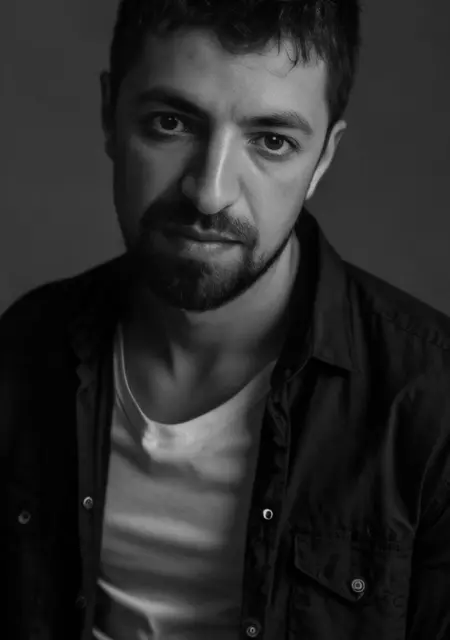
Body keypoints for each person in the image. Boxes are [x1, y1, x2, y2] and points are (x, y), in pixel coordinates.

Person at [3, 0, 450, 638]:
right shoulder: (25, 349)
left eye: (272, 141)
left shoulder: (432, 407)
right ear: (109, 113)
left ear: (323, 159)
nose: (210, 192)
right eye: (170, 123)